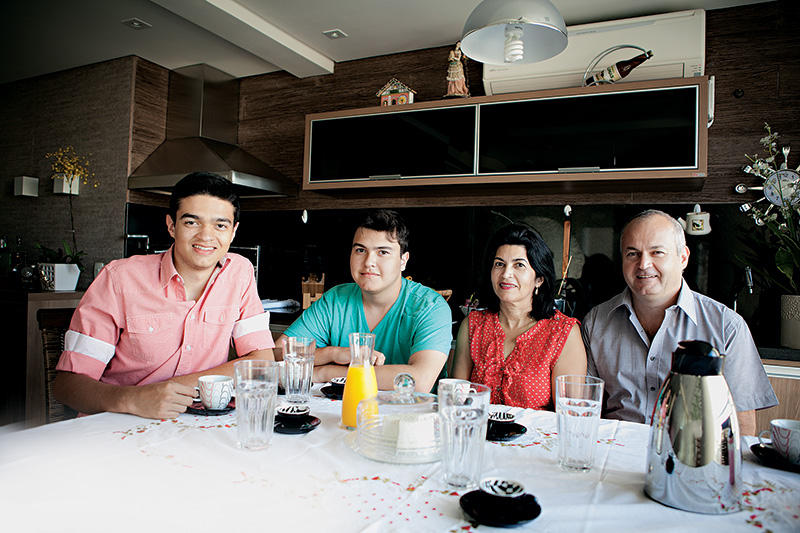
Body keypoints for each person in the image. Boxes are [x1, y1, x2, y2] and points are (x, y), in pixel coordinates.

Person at [53, 172, 275, 419]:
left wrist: (178, 389)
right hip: (116, 429)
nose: (206, 236)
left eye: (220, 225)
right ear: (171, 225)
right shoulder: (119, 279)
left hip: (196, 426)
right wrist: (135, 398)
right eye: (192, 222)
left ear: (233, 232)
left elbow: (262, 362)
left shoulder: (240, 272)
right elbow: (68, 386)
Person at [581, 210, 777, 435]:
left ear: (683, 257)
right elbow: (583, 408)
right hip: (614, 454)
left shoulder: (726, 326)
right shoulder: (596, 321)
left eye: (657, 252)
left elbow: (741, 426)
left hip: (692, 459)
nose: (644, 264)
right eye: (633, 254)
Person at [276, 209, 452, 393]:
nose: (369, 262)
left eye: (383, 252)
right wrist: (333, 353)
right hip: (339, 409)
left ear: (403, 261)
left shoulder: (430, 307)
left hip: (409, 416)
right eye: (361, 250)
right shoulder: (335, 300)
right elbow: (277, 355)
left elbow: (418, 381)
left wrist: (327, 372)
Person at [452, 225, 587, 408]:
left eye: (519, 265)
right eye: (499, 264)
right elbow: (456, 402)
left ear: (539, 278)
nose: (506, 274)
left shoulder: (563, 333)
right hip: (477, 434)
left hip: (538, 436)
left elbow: (570, 417)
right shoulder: (473, 325)